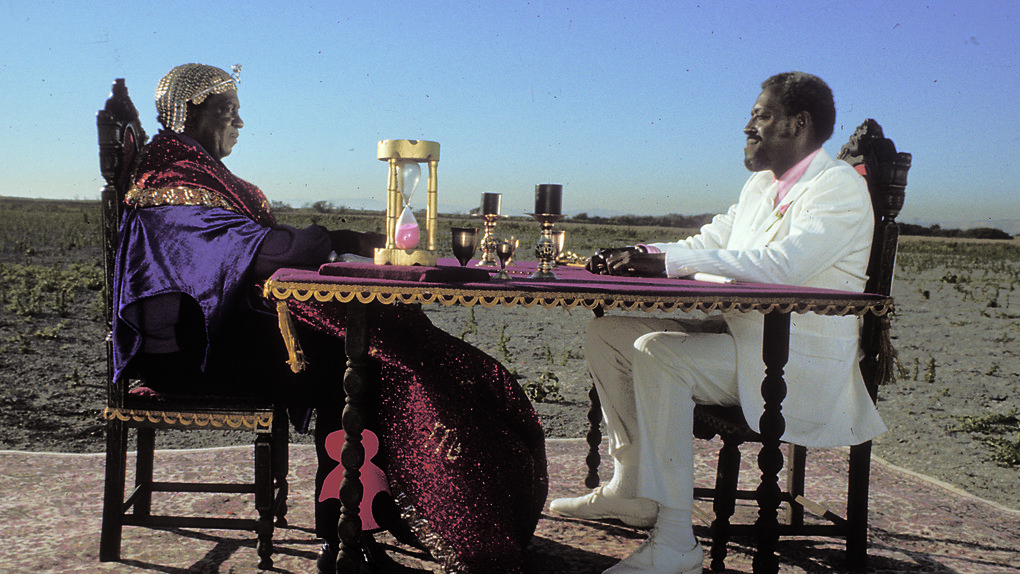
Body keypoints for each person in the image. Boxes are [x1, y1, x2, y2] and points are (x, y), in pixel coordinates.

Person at [112, 63, 547, 574]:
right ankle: (346, 543)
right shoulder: (171, 179)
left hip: (213, 334)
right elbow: (263, 252)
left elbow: (247, 250)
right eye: (228, 110)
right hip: (188, 355)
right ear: (189, 110)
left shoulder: (188, 168)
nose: (239, 122)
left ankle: (371, 521)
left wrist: (340, 242)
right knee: (353, 372)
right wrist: (339, 239)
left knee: (366, 353)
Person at [549, 72, 886, 574]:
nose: (748, 127)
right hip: (749, 342)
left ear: (799, 123)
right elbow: (707, 243)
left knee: (658, 353)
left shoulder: (836, 186)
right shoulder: (760, 186)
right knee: (609, 333)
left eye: (761, 116)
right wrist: (638, 252)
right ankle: (631, 489)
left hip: (797, 364)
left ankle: (675, 542)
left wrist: (667, 265)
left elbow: (783, 266)